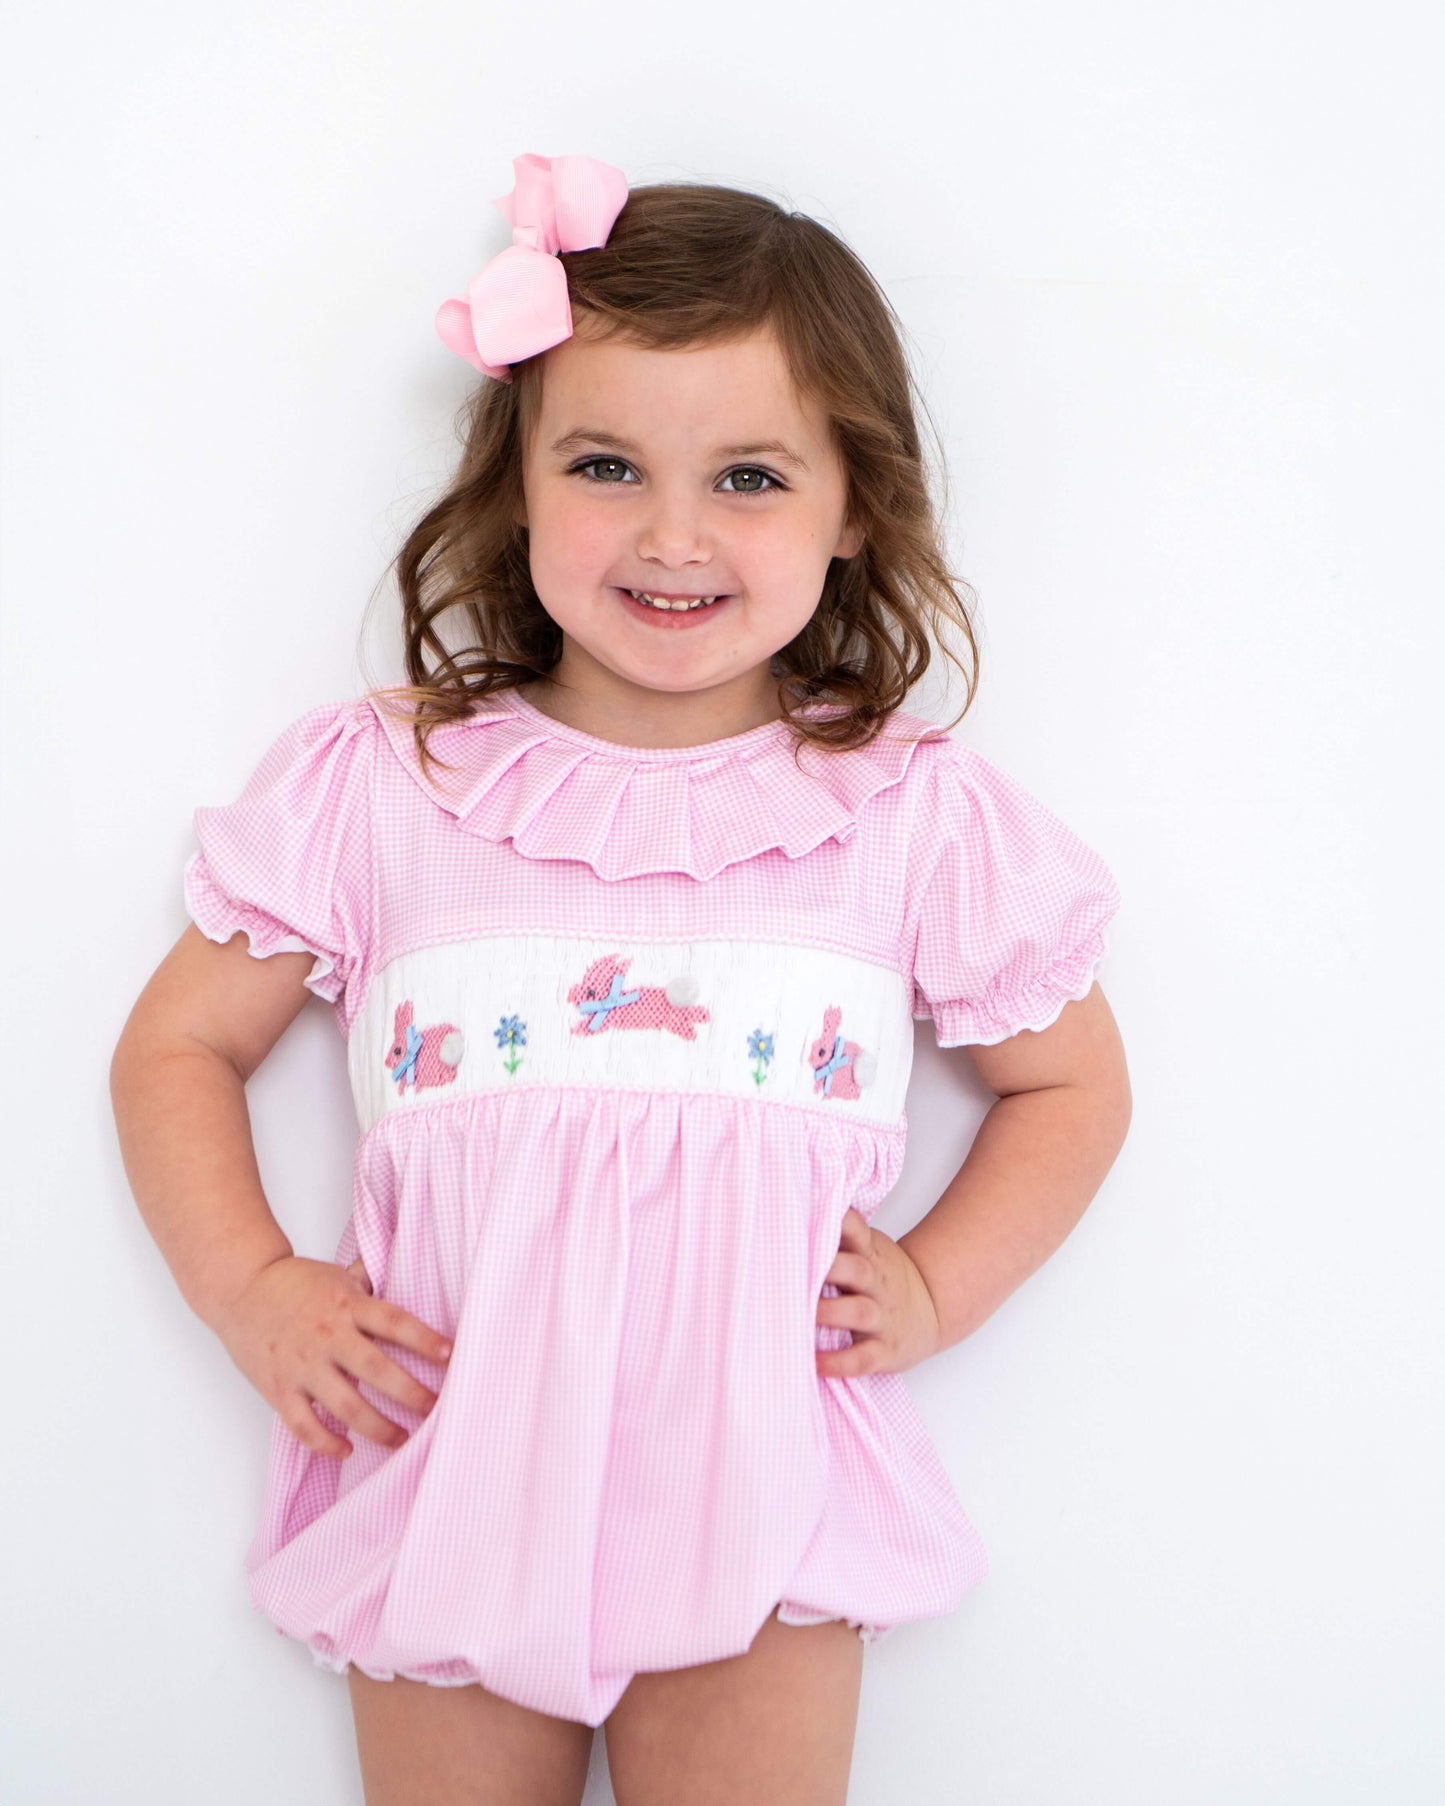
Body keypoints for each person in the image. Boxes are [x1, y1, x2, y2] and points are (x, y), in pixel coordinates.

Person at [110, 153, 1132, 1806]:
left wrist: (939, 1284)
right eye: (605, 464)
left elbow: (1073, 1081)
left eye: (746, 476)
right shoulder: (389, 781)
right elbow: (174, 1048)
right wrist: (253, 1290)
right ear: (517, 484)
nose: (671, 535)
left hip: (765, 1479)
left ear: (849, 505)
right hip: (453, 1458)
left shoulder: (905, 810)